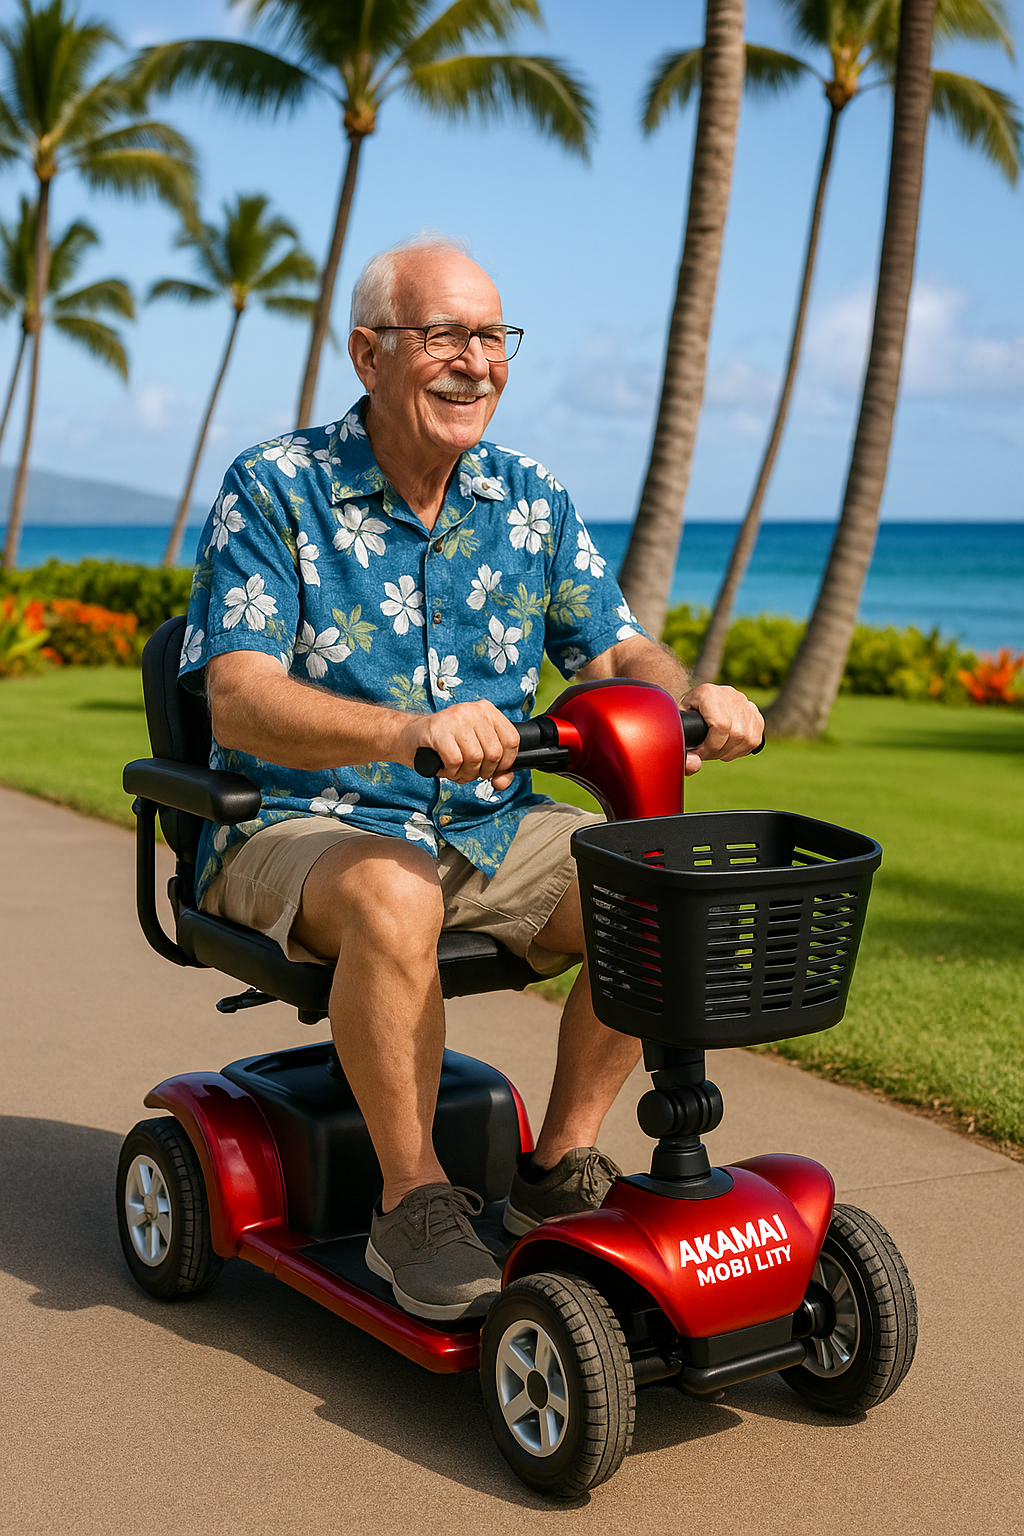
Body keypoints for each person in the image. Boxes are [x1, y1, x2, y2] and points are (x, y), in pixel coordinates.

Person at [179, 234, 764, 1323]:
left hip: (489, 826)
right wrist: (408, 731)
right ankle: (412, 1203)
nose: (477, 361)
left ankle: (557, 1170)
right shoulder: (276, 487)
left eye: (494, 337)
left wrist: (689, 701)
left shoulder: (528, 497)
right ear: (368, 354)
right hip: (299, 823)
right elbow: (239, 697)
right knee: (396, 886)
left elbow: (616, 649)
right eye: (444, 335)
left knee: (650, 887)